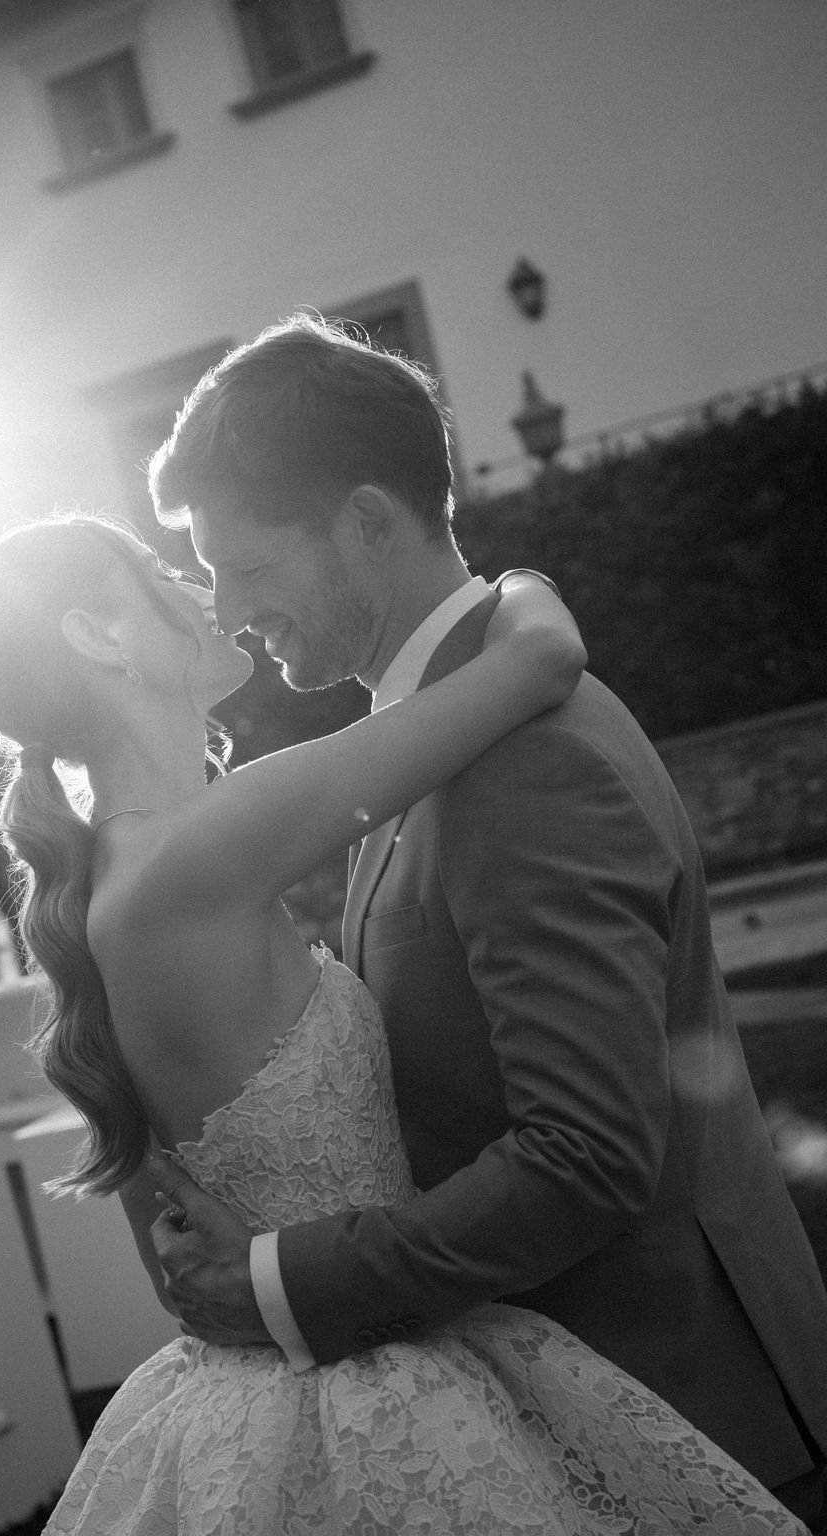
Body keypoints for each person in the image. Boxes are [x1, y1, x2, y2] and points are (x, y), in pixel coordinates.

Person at [0, 513, 807, 1535]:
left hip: (292, 1371)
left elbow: (169, 1243)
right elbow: (536, 659)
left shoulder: (116, 884)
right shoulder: (204, 846)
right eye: (162, 571)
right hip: (372, 1385)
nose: (206, 594)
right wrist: (520, 576)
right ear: (99, 636)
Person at [144, 313, 827, 1533]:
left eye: (247, 569)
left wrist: (285, 1282)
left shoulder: (517, 757)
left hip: (692, 1414)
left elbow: (586, 1154)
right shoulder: (435, 726)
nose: (230, 614)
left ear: (364, 521)